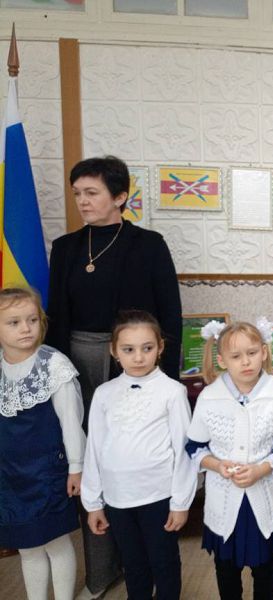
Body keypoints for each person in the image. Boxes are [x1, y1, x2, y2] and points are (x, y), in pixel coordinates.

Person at [45, 155, 182, 598]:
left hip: (138, 360)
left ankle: (144, 557)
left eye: (92, 193)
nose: (82, 201)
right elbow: (57, 315)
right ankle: (101, 571)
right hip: (79, 362)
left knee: (135, 454)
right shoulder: (66, 247)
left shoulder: (149, 244)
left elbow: (170, 315)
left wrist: (168, 379)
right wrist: (55, 373)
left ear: (120, 196)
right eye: (78, 193)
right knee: (90, 455)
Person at [81, 310, 196, 600]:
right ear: (114, 351)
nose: (139, 357)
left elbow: (184, 449)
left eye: (147, 348)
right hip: (118, 498)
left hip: (158, 496)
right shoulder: (104, 393)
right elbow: (94, 448)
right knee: (133, 565)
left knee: (164, 563)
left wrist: (181, 502)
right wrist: (93, 503)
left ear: (160, 347)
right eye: (128, 349)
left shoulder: (172, 391)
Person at [186, 318, 273, 600]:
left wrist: (262, 469)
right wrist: (216, 465)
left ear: (264, 352)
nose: (246, 362)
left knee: (265, 567)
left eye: (252, 353)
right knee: (226, 568)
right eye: (236, 356)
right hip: (224, 500)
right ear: (222, 360)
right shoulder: (209, 397)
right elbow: (194, 447)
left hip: (262, 497)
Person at [0, 287, 85, 600]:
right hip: (10, 475)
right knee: (27, 546)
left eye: (32, 320)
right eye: (14, 322)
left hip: (47, 472)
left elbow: (71, 420)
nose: (25, 328)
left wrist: (76, 466)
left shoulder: (53, 364)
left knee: (55, 542)